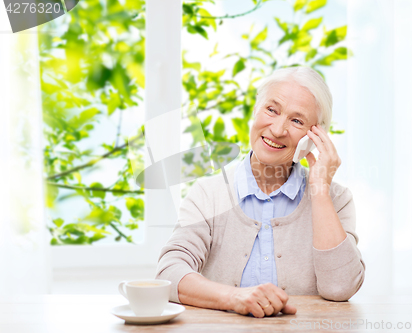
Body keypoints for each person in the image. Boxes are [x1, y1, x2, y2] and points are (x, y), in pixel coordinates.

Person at [156, 66, 365, 318]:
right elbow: (169, 273)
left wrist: (320, 191)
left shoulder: (337, 200)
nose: (277, 130)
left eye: (296, 120)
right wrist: (234, 298)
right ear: (255, 111)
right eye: (271, 110)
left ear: (314, 136)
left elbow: (340, 288)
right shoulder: (208, 194)